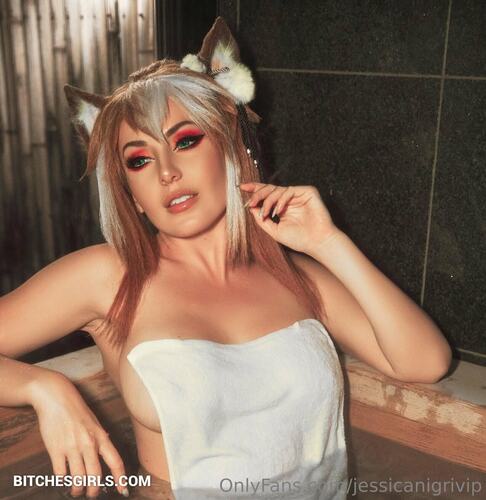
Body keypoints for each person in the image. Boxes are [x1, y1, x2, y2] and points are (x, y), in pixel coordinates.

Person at [0, 17, 452, 500]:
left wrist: (328, 242)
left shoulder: (295, 275)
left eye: (185, 141)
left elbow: (425, 361)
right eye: (139, 160)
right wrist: (44, 389)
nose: (167, 172)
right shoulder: (107, 276)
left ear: (231, 149)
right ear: (131, 194)